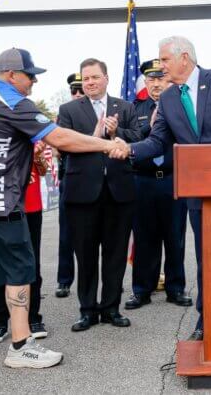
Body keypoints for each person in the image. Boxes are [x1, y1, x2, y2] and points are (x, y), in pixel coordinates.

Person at [0, 48, 123, 368]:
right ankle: (21, 346)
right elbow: (59, 137)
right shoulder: (13, 103)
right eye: (29, 75)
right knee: (20, 268)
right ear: (10, 75)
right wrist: (107, 144)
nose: (33, 80)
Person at [110, 36, 211, 341]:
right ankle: (206, 319)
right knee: (207, 257)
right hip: (198, 189)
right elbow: (157, 141)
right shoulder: (168, 99)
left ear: (185, 57)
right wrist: (128, 149)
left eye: (165, 60)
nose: (161, 66)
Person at [59, 58, 142, 332]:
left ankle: (111, 308)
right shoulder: (69, 109)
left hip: (119, 192)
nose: (90, 82)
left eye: (95, 77)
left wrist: (117, 131)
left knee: (116, 253)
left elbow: (139, 137)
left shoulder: (125, 107)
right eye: (86, 79)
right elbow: (67, 146)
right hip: (83, 193)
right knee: (85, 254)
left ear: (106, 78)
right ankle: (87, 310)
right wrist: (95, 134)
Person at [125, 59, 191, 310]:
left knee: (175, 237)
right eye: (151, 79)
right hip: (143, 180)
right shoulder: (135, 108)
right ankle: (142, 289)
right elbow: (128, 137)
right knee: (144, 238)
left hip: (173, 179)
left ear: (169, 80)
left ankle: (176, 288)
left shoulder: (183, 105)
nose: (156, 84)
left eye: (161, 78)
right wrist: (149, 127)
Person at [0, 142, 50, 344]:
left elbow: (43, 170)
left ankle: (33, 318)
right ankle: (0, 321)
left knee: (31, 263)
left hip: (30, 206)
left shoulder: (33, 136)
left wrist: (38, 155)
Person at [54, 72, 85, 298]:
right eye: (73, 90)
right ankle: (64, 280)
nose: (76, 94)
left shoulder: (98, 113)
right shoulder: (64, 114)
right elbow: (57, 147)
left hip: (95, 178)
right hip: (70, 177)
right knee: (67, 234)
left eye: (80, 90)